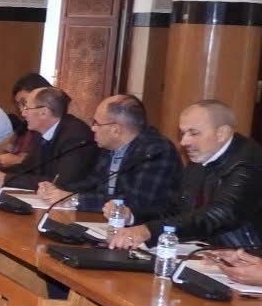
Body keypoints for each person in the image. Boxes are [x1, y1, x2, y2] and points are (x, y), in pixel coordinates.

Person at [107, 100, 262, 250]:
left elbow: (220, 215)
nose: (184, 142)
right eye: (183, 133)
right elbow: (177, 209)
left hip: (249, 254)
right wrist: (132, 216)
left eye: (193, 133)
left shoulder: (248, 163)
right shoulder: (202, 156)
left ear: (222, 133)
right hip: (211, 249)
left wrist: (150, 230)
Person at [35, 94, 180, 226]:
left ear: (115, 129)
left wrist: (73, 199)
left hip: (145, 232)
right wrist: (58, 190)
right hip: (104, 223)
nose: (93, 128)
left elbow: (136, 202)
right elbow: (91, 184)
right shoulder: (109, 147)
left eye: (97, 123)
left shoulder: (156, 151)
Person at [0, 87, 98, 191]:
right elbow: (26, 168)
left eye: (27, 108)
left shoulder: (76, 136)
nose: (23, 114)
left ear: (44, 112)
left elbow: (60, 183)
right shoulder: (40, 132)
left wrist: (5, 179)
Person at [0, 73, 53, 169]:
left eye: (25, 103)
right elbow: (1, 150)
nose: (21, 111)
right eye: (18, 105)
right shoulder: (24, 128)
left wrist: (18, 161)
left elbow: (48, 166)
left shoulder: (60, 130)